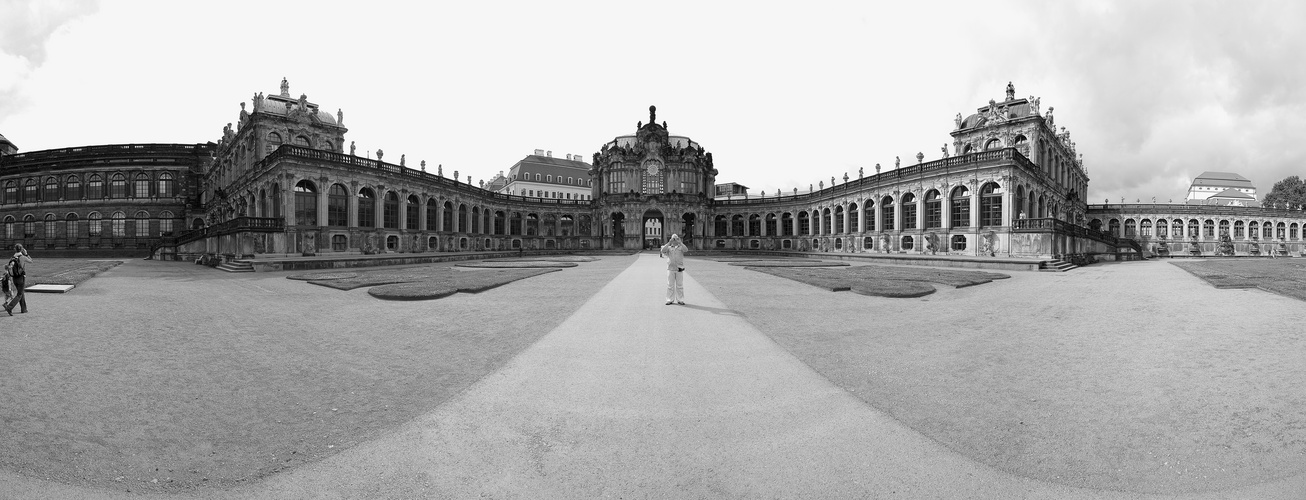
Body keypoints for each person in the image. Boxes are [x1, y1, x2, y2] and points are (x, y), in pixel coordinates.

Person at [659, 234, 687, 305]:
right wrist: (669, 242)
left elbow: (686, 249)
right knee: (670, 285)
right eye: (673, 239)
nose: (674, 240)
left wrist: (680, 242)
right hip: (670, 268)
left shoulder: (681, 247)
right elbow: (662, 250)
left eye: (676, 239)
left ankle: (680, 299)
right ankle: (669, 299)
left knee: (679, 285)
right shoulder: (669, 247)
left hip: (679, 268)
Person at [5, 244, 32, 315]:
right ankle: (9, 307)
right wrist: (26, 254)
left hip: (14, 278)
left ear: (15, 249)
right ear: (22, 249)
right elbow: (31, 261)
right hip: (21, 278)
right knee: (19, 294)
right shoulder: (23, 257)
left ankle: (24, 309)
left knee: (21, 292)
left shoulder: (12, 258)